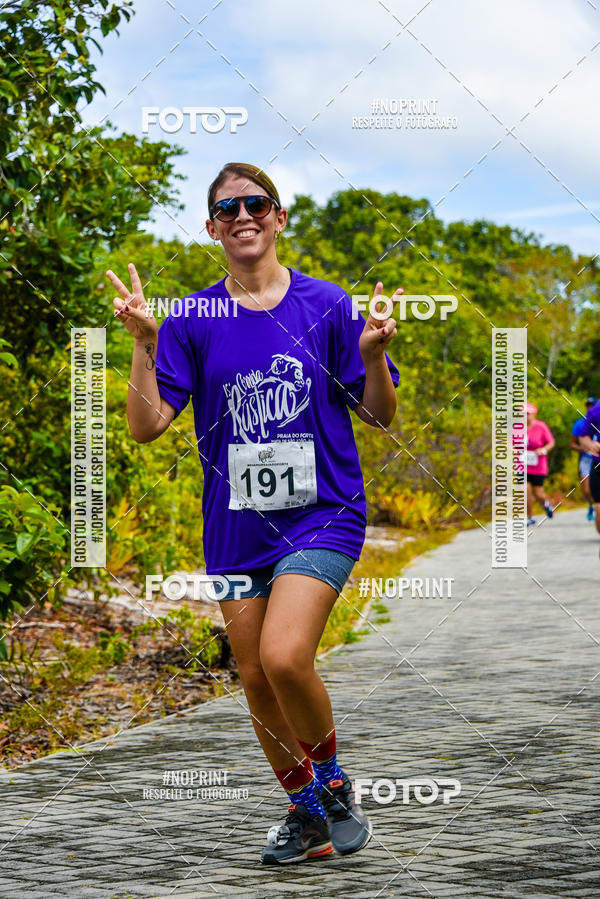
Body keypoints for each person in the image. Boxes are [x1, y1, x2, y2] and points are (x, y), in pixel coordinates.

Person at [106, 162, 402, 865]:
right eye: (228, 208)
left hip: (322, 513)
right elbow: (147, 427)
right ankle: (308, 814)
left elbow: (378, 416)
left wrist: (372, 356)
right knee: (256, 676)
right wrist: (144, 343)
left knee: (284, 655)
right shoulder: (192, 318)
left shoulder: (328, 305)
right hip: (236, 526)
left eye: (257, 204)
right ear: (211, 227)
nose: (244, 216)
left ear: (279, 217)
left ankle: (334, 787)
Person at [526, 402, 555, 526]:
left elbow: (551, 442)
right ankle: (530, 516)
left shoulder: (541, 426)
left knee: (538, 493)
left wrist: (543, 449)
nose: (525, 416)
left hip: (538, 465)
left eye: (527, 414)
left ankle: (546, 504)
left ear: (533, 414)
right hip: (522, 465)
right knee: (525, 490)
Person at [570, 396, 597, 521]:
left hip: (598, 460)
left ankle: (596, 507)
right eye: (588, 406)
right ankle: (592, 505)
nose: (590, 408)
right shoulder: (580, 423)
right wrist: (583, 448)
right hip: (586, 460)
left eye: (593, 405)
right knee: (586, 491)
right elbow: (572, 444)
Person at [578, 398, 600, 535]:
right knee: (598, 505)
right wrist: (591, 445)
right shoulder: (596, 411)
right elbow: (583, 437)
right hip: (598, 463)